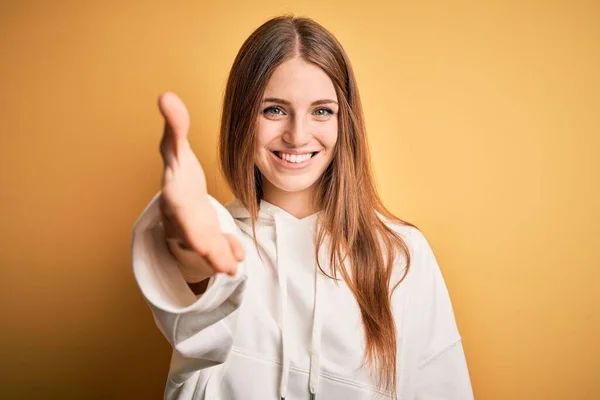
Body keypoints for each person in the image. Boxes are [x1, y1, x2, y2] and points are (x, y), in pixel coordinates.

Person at [132, 15, 473, 400]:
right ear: (242, 118)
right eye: (274, 109)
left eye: (321, 111)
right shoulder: (222, 241)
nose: (297, 135)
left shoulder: (401, 256)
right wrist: (182, 234)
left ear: (346, 123)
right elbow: (193, 272)